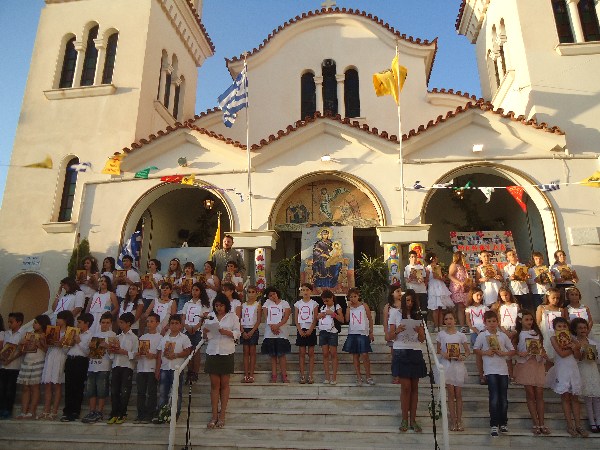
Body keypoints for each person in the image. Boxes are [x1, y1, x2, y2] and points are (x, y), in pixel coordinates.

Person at [388, 290, 427, 432]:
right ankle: (404, 418)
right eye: (407, 300)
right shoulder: (395, 313)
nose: (409, 303)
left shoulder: (418, 316)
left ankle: (413, 420)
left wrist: (420, 332)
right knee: (406, 387)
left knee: (415, 387)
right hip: (401, 351)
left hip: (415, 350)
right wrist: (397, 330)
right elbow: (389, 337)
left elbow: (422, 339)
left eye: (412, 301)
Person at [473, 310, 516, 437]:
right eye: (489, 321)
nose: (492, 324)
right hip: (490, 370)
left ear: (498, 322)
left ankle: (503, 423)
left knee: (503, 398)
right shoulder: (482, 335)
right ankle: (494, 424)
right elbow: (476, 349)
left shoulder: (503, 336)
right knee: (494, 397)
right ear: (485, 323)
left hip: (503, 370)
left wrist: (503, 353)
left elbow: (512, 350)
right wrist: (486, 352)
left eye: (494, 321)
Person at [203, 294, 240, 429]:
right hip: (212, 351)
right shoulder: (210, 316)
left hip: (226, 351)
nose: (219, 308)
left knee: (224, 384)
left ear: (226, 305)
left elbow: (237, 333)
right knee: (214, 384)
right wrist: (205, 332)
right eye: (217, 305)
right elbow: (205, 336)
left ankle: (222, 414)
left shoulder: (232, 316)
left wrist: (225, 332)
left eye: (221, 305)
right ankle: (214, 415)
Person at [513, 310, 550, 435]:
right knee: (530, 394)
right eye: (526, 319)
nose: (529, 322)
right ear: (520, 321)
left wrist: (544, 354)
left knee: (539, 394)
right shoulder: (518, 334)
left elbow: (542, 348)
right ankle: (535, 422)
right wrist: (520, 353)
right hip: (525, 364)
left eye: (531, 319)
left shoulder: (537, 333)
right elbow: (513, 350)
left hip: (537, 364)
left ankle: (542, 423)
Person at [549, 316, 587, 437]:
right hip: (562, 368)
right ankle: (570, 425)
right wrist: (573, 348)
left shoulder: (573, 339)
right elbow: (561, 353)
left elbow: (578, 357)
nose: (562, 328)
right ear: (555, 328)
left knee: (575, 397)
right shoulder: (554, 338)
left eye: (564, 326)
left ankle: (578, 425)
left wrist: (576, 348)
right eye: (559, 326)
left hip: (573, 368)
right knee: (565, 397)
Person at [153, 314, 192, 424]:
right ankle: (162, 414)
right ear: (169, 325)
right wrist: (157, 370)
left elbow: (188, 351)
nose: (174, 325)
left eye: (176, 323)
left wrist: (176, 355)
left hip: (177, 369)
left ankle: (175, 414)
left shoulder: (184, 338)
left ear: (180, 325)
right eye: (172, 323)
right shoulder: (164, 338)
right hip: (165, 368)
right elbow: (159, 355)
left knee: (176, 393)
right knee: (163, 392)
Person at [436, 311, 470, 432]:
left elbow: (467, 351)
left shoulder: (461, 335)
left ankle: (459, 420)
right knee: (450, 394)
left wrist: (463, 356)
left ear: (455, 320)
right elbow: (438, 349)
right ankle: (453, 420)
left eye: (450, 318)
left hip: (458, 366)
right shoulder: (441, 334)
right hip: (447, 365)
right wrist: (444, 354)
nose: (449, 321)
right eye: (446, 319)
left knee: (458, 394)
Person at [81, 312, 115, 424]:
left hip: (103, 367)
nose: (105, 325)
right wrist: (89, 347)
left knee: (101, 391)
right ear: (100, 323)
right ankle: (92, 411)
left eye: (107, 323)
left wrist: (107, 346)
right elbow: (87, 352)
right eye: (103, 322)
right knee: (91, 391)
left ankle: (99, 412)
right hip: (92, 365)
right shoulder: (94, 334)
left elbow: (113, 354)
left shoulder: (112, 335)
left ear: (110, 324)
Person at [39, 310, 73, 420]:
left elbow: (67, 350)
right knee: (48, 384)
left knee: (57, 384)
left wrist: (61, 344)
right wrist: (44, 341)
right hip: (50, 356)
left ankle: (54, 411)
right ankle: (46, 410)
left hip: (60, 357)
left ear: (65, 320)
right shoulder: (52, 330)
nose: (57, 320)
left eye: (59, 318)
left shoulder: (69, 332)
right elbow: (47, 348)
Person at [16, 314, 50, 420]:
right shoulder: (29, 334)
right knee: (25, 387)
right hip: (27, 361)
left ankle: (32, 411)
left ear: (42, 324)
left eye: (36, 323)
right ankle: (23, 411)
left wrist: (40, 344)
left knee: (35, 387)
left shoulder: (46, 335)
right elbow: (21, 350)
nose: (34, 324)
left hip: (38, 361)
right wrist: (21, 344)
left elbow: (48, 350)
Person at [61, 312, 93, 422]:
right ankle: (67, 411)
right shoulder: (73, 332)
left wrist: (79, 342)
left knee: (78, 386)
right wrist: (66, 343)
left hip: (81, 361)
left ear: (86, 323)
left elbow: (88, 352)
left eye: (79, 322)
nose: (77, 324)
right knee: (69, 386)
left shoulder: (90, 335)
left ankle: (75, 411)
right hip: (70, 359)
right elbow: (65, 351)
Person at [106, 312, 138, 424]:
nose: (120, 324)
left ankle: (122, 413)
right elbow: (111, 355)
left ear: (128, 323)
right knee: (114, 390)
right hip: (116, 365)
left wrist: (123, 352)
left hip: (127, 366)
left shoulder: (134, 338)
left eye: (122, 322)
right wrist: (110, 350)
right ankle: (114, 413)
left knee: (124, 391)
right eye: (119, 322)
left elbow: (135, 354)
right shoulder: (117, 337)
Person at [571, 318, 600, 433]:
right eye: (580, 328)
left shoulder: (593, 343)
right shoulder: (574, 343)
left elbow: (597, 359)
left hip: (592, 370)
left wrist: (595, 356)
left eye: (584, 328)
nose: (583, 330)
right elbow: (575, 359)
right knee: (588, 397)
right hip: (582, 370)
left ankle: (599, 421)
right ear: (575, 330)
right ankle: (592, 422)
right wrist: (581, 353)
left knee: (596, 396)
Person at [342, 287, 374, 386]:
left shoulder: (364, 306)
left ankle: (368, 376)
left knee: (364, 354)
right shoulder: (349, 307)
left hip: (363, 333)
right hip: (353, 332)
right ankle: (359, 377)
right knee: (355, 355)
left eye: (354, 296)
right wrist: (348, 308)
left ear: (358, 296)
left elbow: (370, 318)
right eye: (351, 297)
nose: (353, 299)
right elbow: (347, 319)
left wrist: (371, 332)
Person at [180, 282, 211, 383]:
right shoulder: (187, 303)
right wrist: (187, 327)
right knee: (188, 351)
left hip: (198, 330)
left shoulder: (204, 304)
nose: (194, 292)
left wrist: (196, 327)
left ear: (201, 291)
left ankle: (195, 372)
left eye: (197, 290)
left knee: (196, 351)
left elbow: (204, 318)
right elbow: (183, 317)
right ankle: (189, 371)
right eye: (193, 290)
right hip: (187, 329)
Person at [135, 312, 162, 424]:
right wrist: (138, 354)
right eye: (148, 321)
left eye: (152, 321)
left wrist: (153, 356)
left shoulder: (160, 338)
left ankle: (150, 414)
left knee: (151, 392)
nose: (149, 324)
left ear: (157, 323)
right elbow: (137, 352)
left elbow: (160, 355)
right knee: (141, 392)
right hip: (141, 368)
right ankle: (140, 414)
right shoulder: (142, 337)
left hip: (152, 368)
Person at [260, 287, 292, 383]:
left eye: (274, 294)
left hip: (282, 332)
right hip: (270, 333)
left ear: (277, 293)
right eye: (270, 295)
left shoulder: (284, 303)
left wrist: (277, 326)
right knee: (273, 355)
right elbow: (266, 316)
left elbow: (286, 317)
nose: (273, 296)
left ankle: (284, 375)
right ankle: (274, 375)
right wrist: (272, 327)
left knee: (281, 355)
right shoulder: (267, 303)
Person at [0, 312, 24, 419]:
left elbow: (21, 351)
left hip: (14, 366)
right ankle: (1, 408)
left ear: (19, 322)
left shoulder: (23, 333)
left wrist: (10, 359)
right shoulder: (6, 333)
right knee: (2, 389)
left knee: (10, 389)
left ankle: (7, 410)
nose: (9, 324)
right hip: (3, 365)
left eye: (11, 322)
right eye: (8, 322)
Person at [317, 289, 343, 385]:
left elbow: (342, 319)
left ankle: (334, 377)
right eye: (324, 301)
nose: (325, 303)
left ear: (332, 298)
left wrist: (333, 314)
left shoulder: (337, 306)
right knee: (325, 354)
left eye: (327, 300)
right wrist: (319, 316)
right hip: (323, 331)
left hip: (332, 332)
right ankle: (327, 377)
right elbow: (317, 318)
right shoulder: (323, 307)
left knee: (333, 354)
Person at [493, 287, 519, 381]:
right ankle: (510, 375)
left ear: (510, 294)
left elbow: (519, 319)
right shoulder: (500, 306)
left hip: (515, 330)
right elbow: (499, 321)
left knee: (515, 353)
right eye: (502, 296)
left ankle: (517, 374)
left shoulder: (516, 306)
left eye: (506, 295)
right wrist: (505, 332)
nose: (505, 297)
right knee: (507, 356)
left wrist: (514, 331)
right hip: (504, 331)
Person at [294, 283, 319, 384]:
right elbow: (296, 318)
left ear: (311, 291)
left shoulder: (314, 304)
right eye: (303, 290)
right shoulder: (298, 304)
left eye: (307, 290)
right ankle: (302, 375)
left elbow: (315, 318)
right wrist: (300, 330)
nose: (305, 292)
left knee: (311, 353)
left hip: (310, 330)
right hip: (301, 329)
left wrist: (311, 329)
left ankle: (310, 375)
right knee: (302, 353)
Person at [536, 287, 567, 363]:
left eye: (558, 298)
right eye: (553, 298)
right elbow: (538, 323)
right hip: (545, 334)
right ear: (548, 297)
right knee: (546, 357)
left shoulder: (561, 310)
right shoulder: (541, 308)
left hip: (556, 335)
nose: (556, 300)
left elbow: (563, 325)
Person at [465, 287, 489, 384]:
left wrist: (484, 330)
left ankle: (487, 374)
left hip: (485, 332)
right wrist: (476, 331)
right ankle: (481, 375)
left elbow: (488, 320)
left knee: (486, 354)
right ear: (472, 296)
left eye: (481, 295)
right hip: (475, 333)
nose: (479, 297)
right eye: (477, 295)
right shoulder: (469, 309)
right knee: (479, 355)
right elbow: (469, 322)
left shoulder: (485, 308)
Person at [425, 252, 453, 331]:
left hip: (440, 286)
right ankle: (436, 326)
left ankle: (440, 326)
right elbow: (429, 278)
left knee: (440, 308)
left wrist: (443, 277)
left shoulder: (438, 267)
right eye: (435, 257)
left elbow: (440, 277)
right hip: (433, 287)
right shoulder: (428, 268)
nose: (437, 259)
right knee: (435, 308)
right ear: (432, 259)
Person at [240, 286, 261, 384]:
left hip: (253, 329)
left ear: (256, 293)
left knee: (252, 352)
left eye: (253, 292)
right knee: (245, 352)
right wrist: (242, 331)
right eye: (249, 292)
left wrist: (252, 331)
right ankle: (246, 375)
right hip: (244, 329)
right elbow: (239, 318)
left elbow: (258, 320)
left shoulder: (258, 305)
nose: (251, 294)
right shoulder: (243, 305)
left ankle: (251, 375)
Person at [448, 251, 471, 332]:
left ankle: (467, 323)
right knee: (460, 306)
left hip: (465, 288)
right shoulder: (454, 265)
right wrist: (460, 283)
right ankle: (462, 325)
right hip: (458, 288)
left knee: (465, 306)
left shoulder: (464, 267)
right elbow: (450, 275)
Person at [384, 286, 403, 383]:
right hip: (392, 333)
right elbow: (385, 321)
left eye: (400, 291)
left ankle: (403, 375)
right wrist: (386, 333)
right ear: (392, 293)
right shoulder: (388, 306)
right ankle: (396, 375)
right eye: (397, 291)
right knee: (395, 356)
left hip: (403, 333)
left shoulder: (404, 304)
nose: (400, 293)